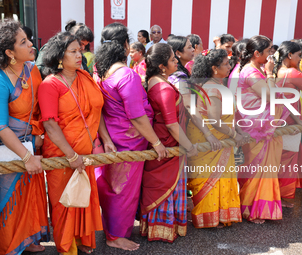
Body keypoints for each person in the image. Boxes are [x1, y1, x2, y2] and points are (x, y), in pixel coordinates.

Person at [94, 22, 168, 251]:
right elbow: (137, 116)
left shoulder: (100, 72)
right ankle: (115, 236)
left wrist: (106, 139)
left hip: (111, 139)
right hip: (130, 142)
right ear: (125, 45)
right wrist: (156, 142)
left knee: (111, 188)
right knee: (123, 191)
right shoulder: (126, 75)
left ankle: (113, 231)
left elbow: (99, 112)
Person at [38, 31, 105, 254]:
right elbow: (49, 124)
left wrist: (105, 139)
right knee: (63, 204)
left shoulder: (86, 77)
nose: (80, 55)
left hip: (85, 152)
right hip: (61, 155)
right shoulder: (50, 84)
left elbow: (97, 110)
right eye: (73, 51)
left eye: (81, 50)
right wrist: (72, 156)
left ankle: (80, 240)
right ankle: (66, 247)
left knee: (82, 196)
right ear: (59, 56)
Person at [0, 19, 49, 254]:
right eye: (23, 42)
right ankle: (10, 247)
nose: (31, 44)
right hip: (10, 152)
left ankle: (29, 237)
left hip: (33, 145)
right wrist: (26, 157)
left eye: (28, 39)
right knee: (9, 202)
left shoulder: (32, 70)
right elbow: (0, 126)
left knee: (31, 197)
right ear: (9, 52)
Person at [140, 43, 198, 242]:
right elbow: (172, 125)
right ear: (162, 66)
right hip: (168, 144)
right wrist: (190, 148)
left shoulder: (156, 82)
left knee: (164, 185)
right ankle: (162, 229)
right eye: (173, 59)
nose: (176, 62)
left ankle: (162, 226)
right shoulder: (163, 88)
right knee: (165, 185)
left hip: (167, 142)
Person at [187, 49, 245, 228]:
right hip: (210, 138)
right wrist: (236, 136)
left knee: (220, 177)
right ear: (214, 68)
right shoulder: (213, 89)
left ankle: (218, 215)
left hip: (219, 136)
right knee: (210, 178)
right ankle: (207, 217)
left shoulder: (217, 85)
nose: (230, 67)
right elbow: (215, 121)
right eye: (226, 64)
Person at [237, 35, 290, 224]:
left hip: (264, 126)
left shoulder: (255, 69)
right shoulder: (251, 72)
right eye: (268, 51)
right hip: (256, 127)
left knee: (263, 168)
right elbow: (270, 96)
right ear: (256, 53)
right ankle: (252, 209)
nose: (272, 55)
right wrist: (269, 74)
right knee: (257, 168)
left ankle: (259, 207)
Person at [273, 41, 302, 207]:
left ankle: (276, 194)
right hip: (291, 120)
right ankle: (284, 197)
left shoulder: (277, 71)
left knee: (279, 158)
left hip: (278, 118)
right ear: (290, 55)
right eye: (298, 56)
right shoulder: (292, 72)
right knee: (288, 159)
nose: (300, 59)